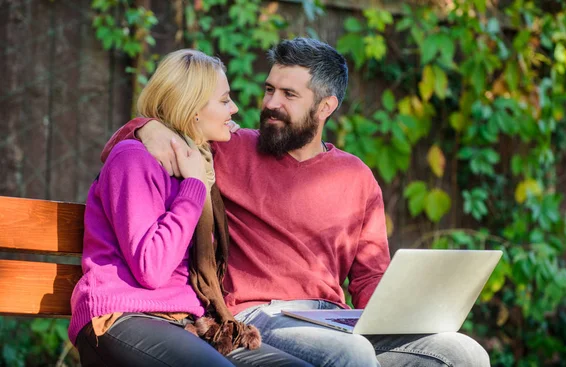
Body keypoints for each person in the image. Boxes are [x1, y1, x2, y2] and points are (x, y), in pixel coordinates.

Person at [101, 38, 491, 366]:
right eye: (270, 89)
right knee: (351, 354)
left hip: (336, 321)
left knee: (463, 353)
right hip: (260, 314)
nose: (271, 103)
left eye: (289, 95)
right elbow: (151, 133)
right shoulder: (228, 148)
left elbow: (370, 277)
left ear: (326, 107)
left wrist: (403, 317)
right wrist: (146, 127)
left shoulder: (355, 177)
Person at [69, 49, 311, 367]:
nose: (235, 108)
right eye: (224, 100)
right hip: (121, 315)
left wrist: (196, 177)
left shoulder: (201, 159)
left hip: (185, 322)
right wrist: (194, 187)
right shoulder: (134, 158)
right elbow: (151, 269)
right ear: (192, 107)